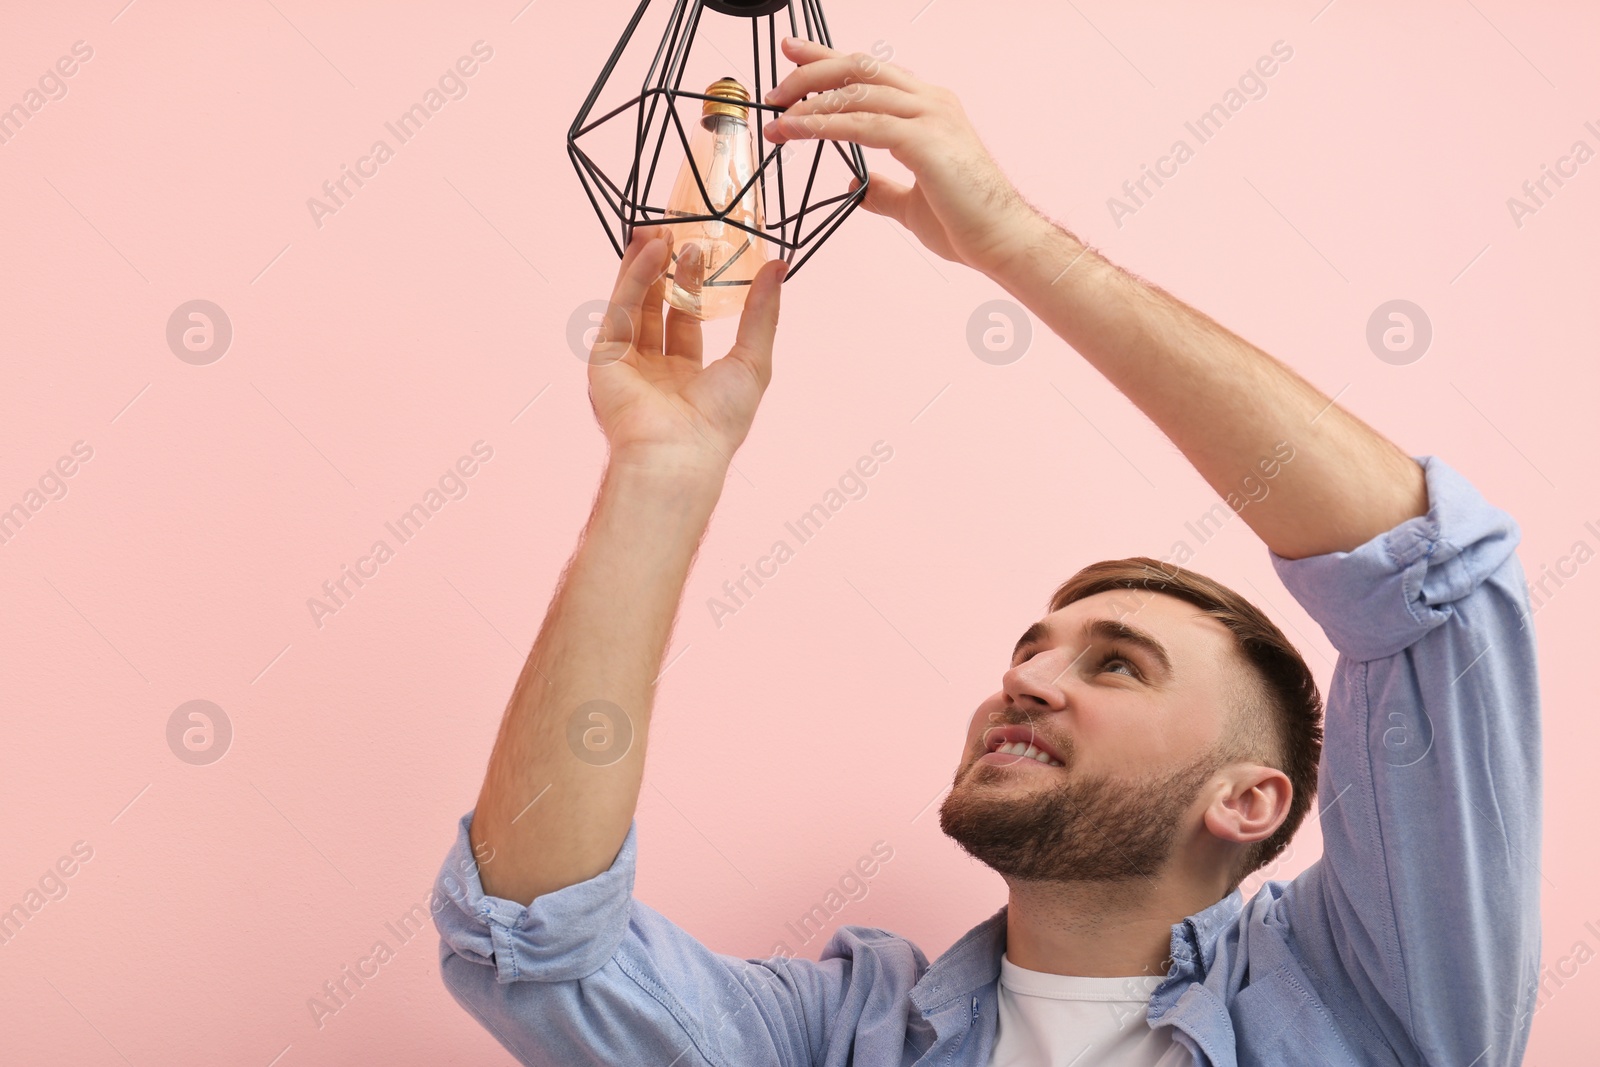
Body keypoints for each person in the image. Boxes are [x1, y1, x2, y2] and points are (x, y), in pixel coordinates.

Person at [431, 36, 1542, 1067]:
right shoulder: (832, 1036)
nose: (1022, 675)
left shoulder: (1371, 1000)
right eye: (1033, 647)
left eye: (1114, 662)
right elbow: (533, 943)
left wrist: (1009, 239)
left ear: (1248, 800)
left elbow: (1433, 580)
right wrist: (659, 475)